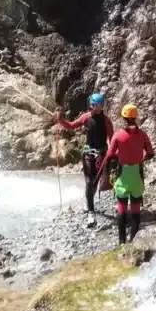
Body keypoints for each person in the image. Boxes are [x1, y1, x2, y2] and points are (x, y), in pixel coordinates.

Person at [53, 92, 113, 226]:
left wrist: (112, 153)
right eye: (96, 104)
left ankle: (89, 201)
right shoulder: (85, 117)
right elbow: (70, 125)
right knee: (89, 182)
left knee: (95, 183)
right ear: (92, 105)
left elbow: (112, 138)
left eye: (99, 104)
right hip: (88, 154)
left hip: (101, 155)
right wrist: (60, 119)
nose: (98, 107)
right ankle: (91, 213)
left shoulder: (106, 121)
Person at [98, 104, 154, 244]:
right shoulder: (143, 135)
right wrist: (140, 159)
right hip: (136, 175)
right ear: (135, 117)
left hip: (122, 176)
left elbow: (110, 155)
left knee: (121, 208)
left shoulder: (118, 135)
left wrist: (119, 154)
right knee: (135, 208)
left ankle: (121, 241)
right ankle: (134, 239)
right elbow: (150, 153)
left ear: (124, 118)